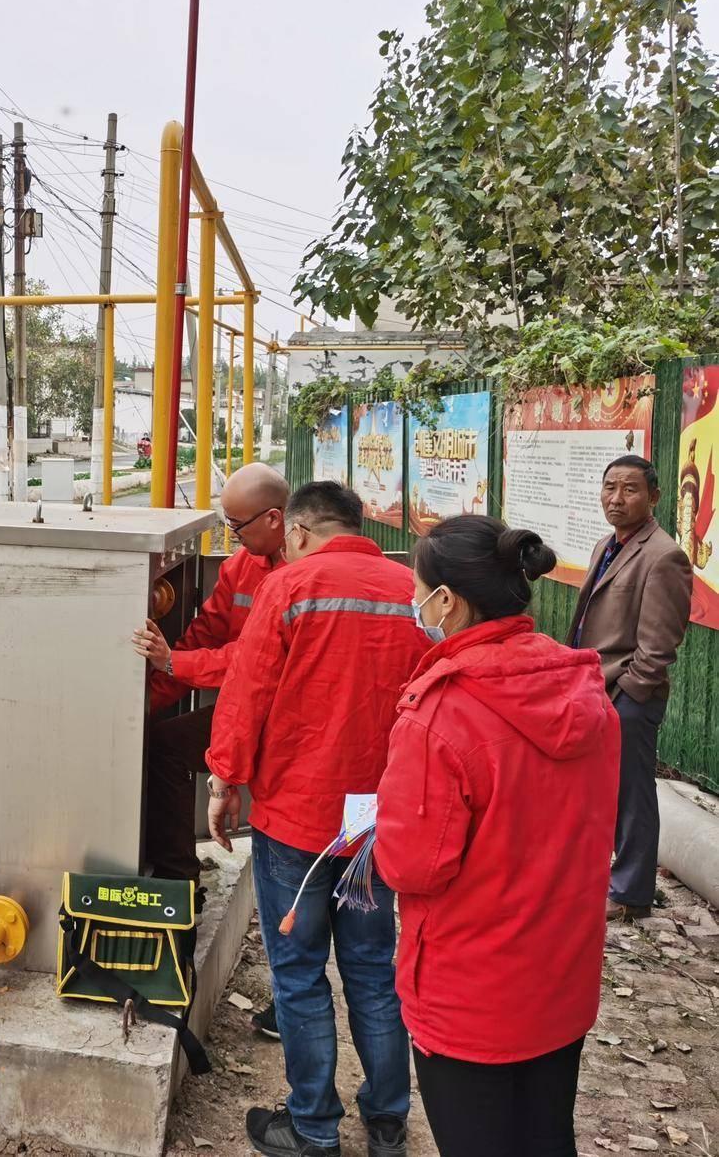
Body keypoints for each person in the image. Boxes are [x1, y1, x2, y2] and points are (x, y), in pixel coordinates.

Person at [374, 516, 620, 1157]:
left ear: (446, 601)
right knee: (545, 1136)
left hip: (470, 992)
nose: (414, 602)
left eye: (417, 588)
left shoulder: (439, 716)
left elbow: (411, 867)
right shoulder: (586, 692)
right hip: (561, 977)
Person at [207, 481, 428, 1157]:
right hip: (370, 817)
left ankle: (312, 1129)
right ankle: (388, 1125)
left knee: (300, 974)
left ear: (298, 530)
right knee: (370, 966)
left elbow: (249, 690)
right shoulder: (411, 591)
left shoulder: (292, 586)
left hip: (296, 815)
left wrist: (226, 779)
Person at [130, 463, 289, 889]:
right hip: (244, 706)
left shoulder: (299, 577)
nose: (233, 535)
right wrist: (143, 703)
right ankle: (177, 880)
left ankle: (178, 878)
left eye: (237, 525)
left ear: (274, 518)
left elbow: (254, 660)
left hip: (286, 711)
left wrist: (171, 664)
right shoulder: (243, 564)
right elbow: (205, 635)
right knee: (165, 744)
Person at [568, 455, 692, 920]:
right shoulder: (609, 543)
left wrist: (630, 695)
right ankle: (605, 875)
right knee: (601, 791)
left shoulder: (664, 556)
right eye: (610, 488)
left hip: (628, 698)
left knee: (633, 796)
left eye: (630, 489)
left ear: (654, 497)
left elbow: (659, 645)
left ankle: (632, 893)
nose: (616, 499)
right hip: (595, 688)